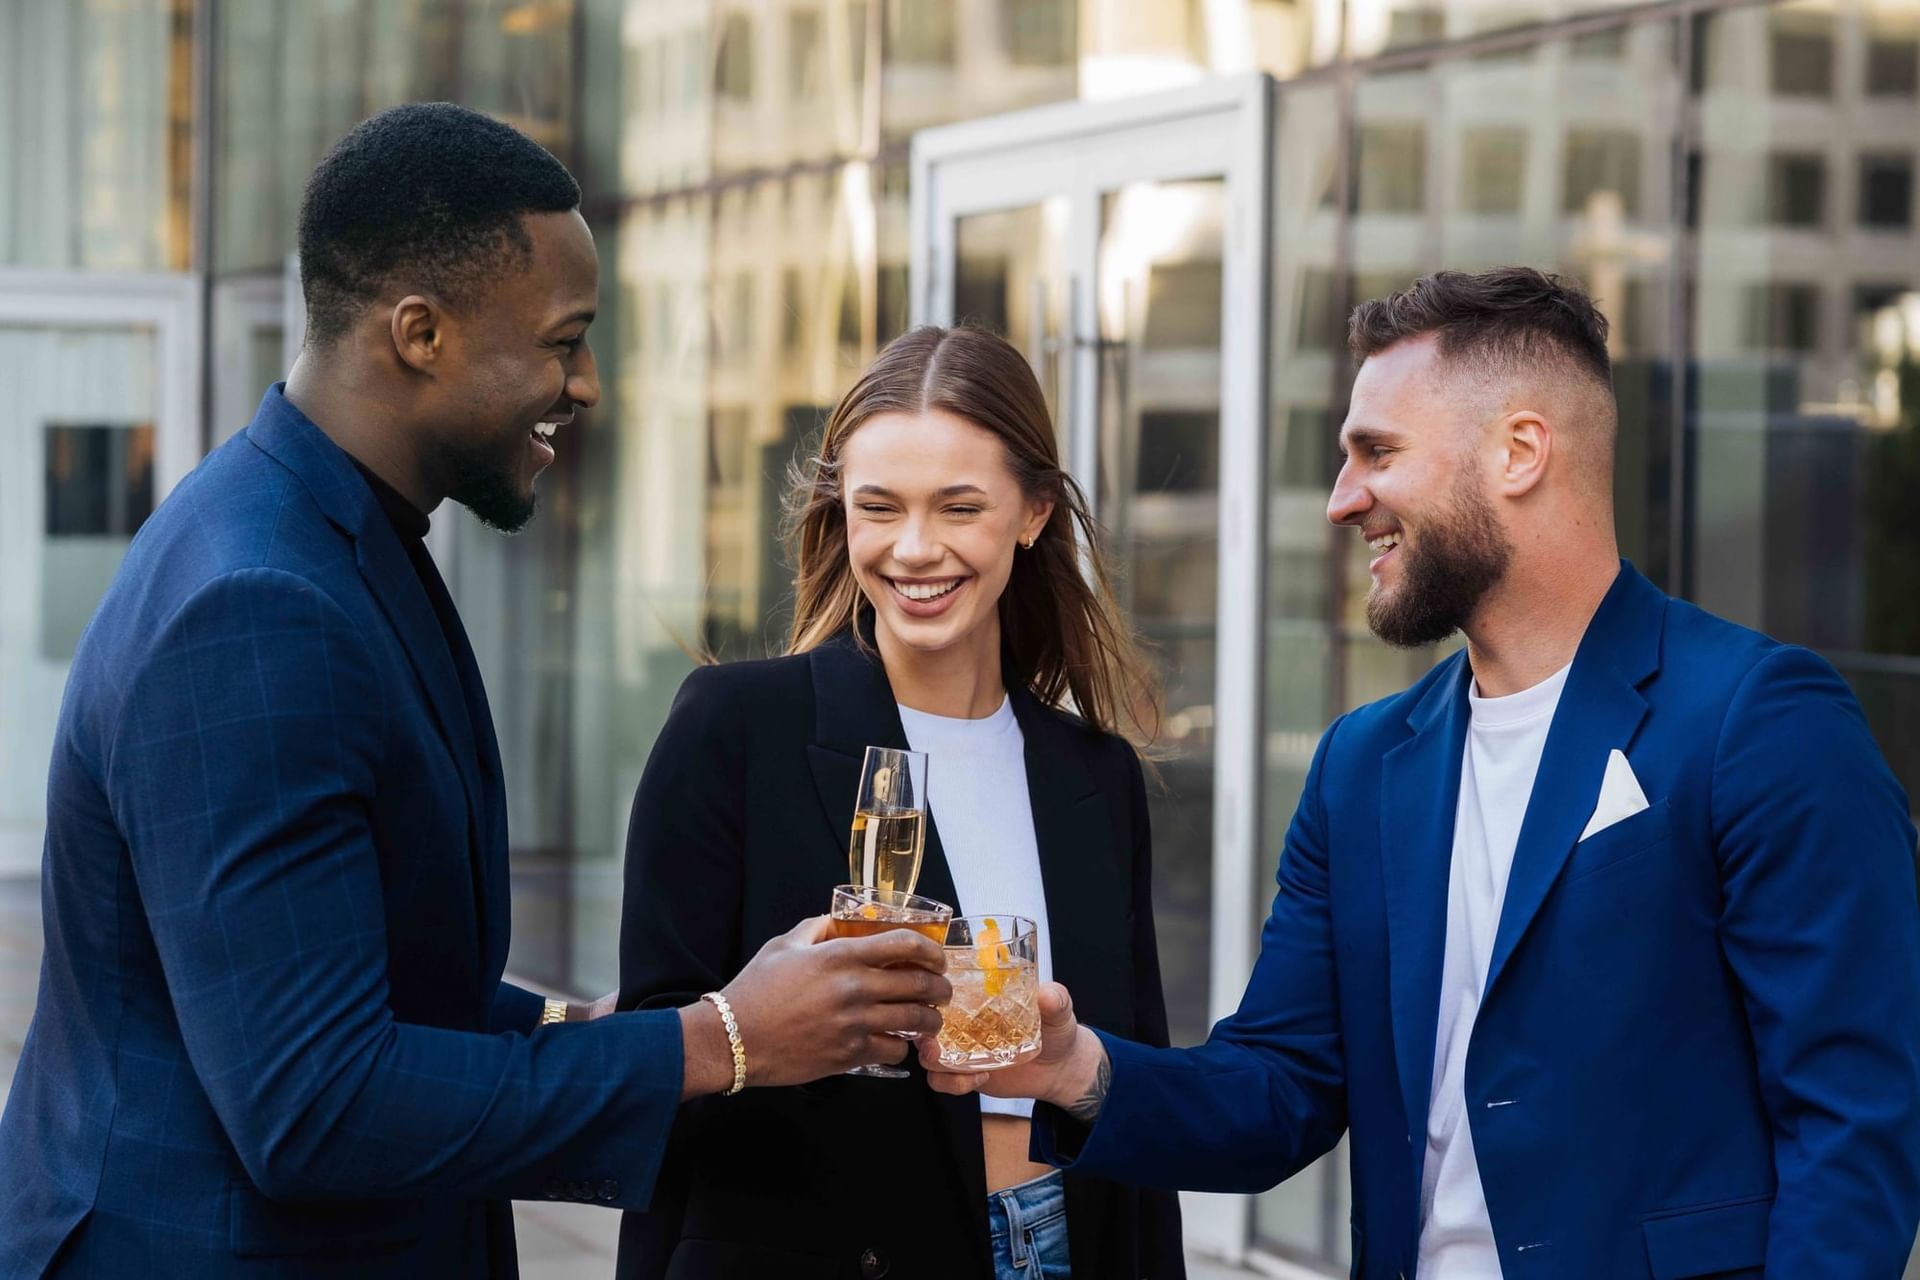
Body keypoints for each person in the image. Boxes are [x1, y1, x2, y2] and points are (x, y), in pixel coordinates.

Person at [0, 103, 948, 1280]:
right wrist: (723, 1040)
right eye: (564, 340)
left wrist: (601, 1030)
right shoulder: (259, 603)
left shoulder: (338, 534)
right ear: (420, 332)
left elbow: (361, 964)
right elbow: (316, 1102)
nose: (587, 384)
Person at [927, 268, 1920, 1279]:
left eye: (1377, 451)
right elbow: (1279, 1086)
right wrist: (1075, 1068)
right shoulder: (1362, 765)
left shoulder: (1760, 721)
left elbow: (1853, 1131)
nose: (1342, 498)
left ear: (1519, 452)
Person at [616, 325, 1185, 1279]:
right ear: (842, 515)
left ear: (1033, 511)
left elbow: (1126, 1101)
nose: (915, 551)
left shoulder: (1094, 776)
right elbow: (657, 1069)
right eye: (879, 507)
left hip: (1052, 1246)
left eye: (960, 508)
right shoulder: (737, 729)